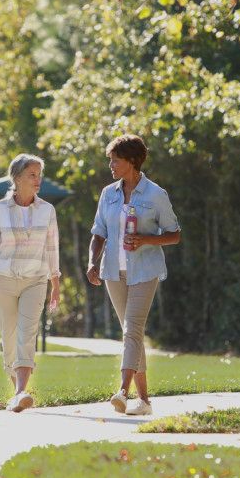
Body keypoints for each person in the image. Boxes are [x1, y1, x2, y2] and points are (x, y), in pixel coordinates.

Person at [85, 135, 181, 416]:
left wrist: (145, 240)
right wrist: (92, 262)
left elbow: (174, 235)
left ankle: (122, 392)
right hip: (114, 273)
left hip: (145, 272)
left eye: (116, 160)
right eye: (110, 160)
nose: (111, 165)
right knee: (132, 335)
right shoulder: (108, 194)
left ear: (132, 161)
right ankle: (145, 402)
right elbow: (98, 232)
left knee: (132, 330)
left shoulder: (155, 195)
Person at [0, 153, 61, 412]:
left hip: (35, 280)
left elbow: (52, 247)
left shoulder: (47, 210)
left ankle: (21, 391)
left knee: (28, 333)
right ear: (16, 178)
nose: (38, 180)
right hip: (2, 279)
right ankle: (18, 390)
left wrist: (55, 283)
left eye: (39, 175)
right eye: (32, 175)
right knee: (9, 336)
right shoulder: (0, 209)